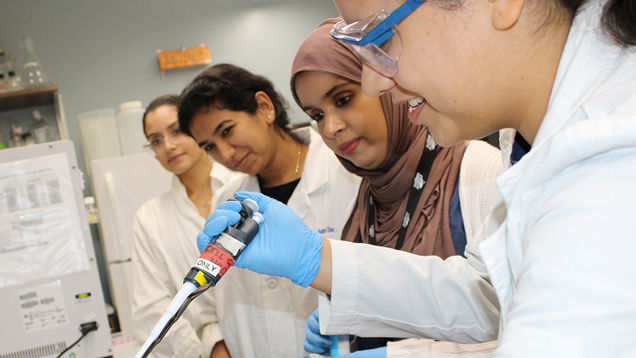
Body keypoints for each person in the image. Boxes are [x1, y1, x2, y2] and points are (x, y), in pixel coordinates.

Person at [201, 0, 636, 356]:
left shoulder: (611, 165)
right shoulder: (532, 142)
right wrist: (317, 259)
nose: (373, 82)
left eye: (381, 37)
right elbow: (486, 294)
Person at [289, 18, 502, 354]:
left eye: (343, 99)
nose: (330, 127)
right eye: (316, 115)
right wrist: (344, 328)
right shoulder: (361, 205)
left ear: (386, 85)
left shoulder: (479, 173)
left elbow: (515, 326)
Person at [177, 63, 361, 357]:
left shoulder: (346, 172)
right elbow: (214, 300)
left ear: (264, 107)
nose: (225, 154)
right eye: (210, 147)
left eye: (227, 130)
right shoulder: (229, 199)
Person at [130, 94, 244, 358]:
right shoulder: (150, 218)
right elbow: (150, 307)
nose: (168, 146)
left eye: (177, 131)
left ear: (196, 129)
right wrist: (211, 347)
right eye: (156, 141)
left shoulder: (243, 186)